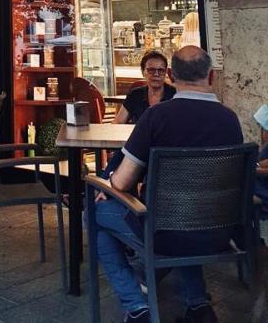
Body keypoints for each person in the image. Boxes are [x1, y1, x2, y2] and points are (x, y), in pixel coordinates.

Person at [94, 46, 243, 323]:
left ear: (171, 75)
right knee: (187, 210)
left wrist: (107, 185)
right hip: (219, 233)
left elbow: (123, 182)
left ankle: (137, 307)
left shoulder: (156, 117)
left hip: (164, 232)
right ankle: (198, 306)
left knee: (95, 215)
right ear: (211, 76)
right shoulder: (230, 119)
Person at [113, 50, 176, 125]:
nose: (156, 74)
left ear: (166, 72)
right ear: (142, 72)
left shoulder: (175, 95)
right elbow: (118, 123)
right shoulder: (135, 95)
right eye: (151, 70)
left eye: (161, 70)